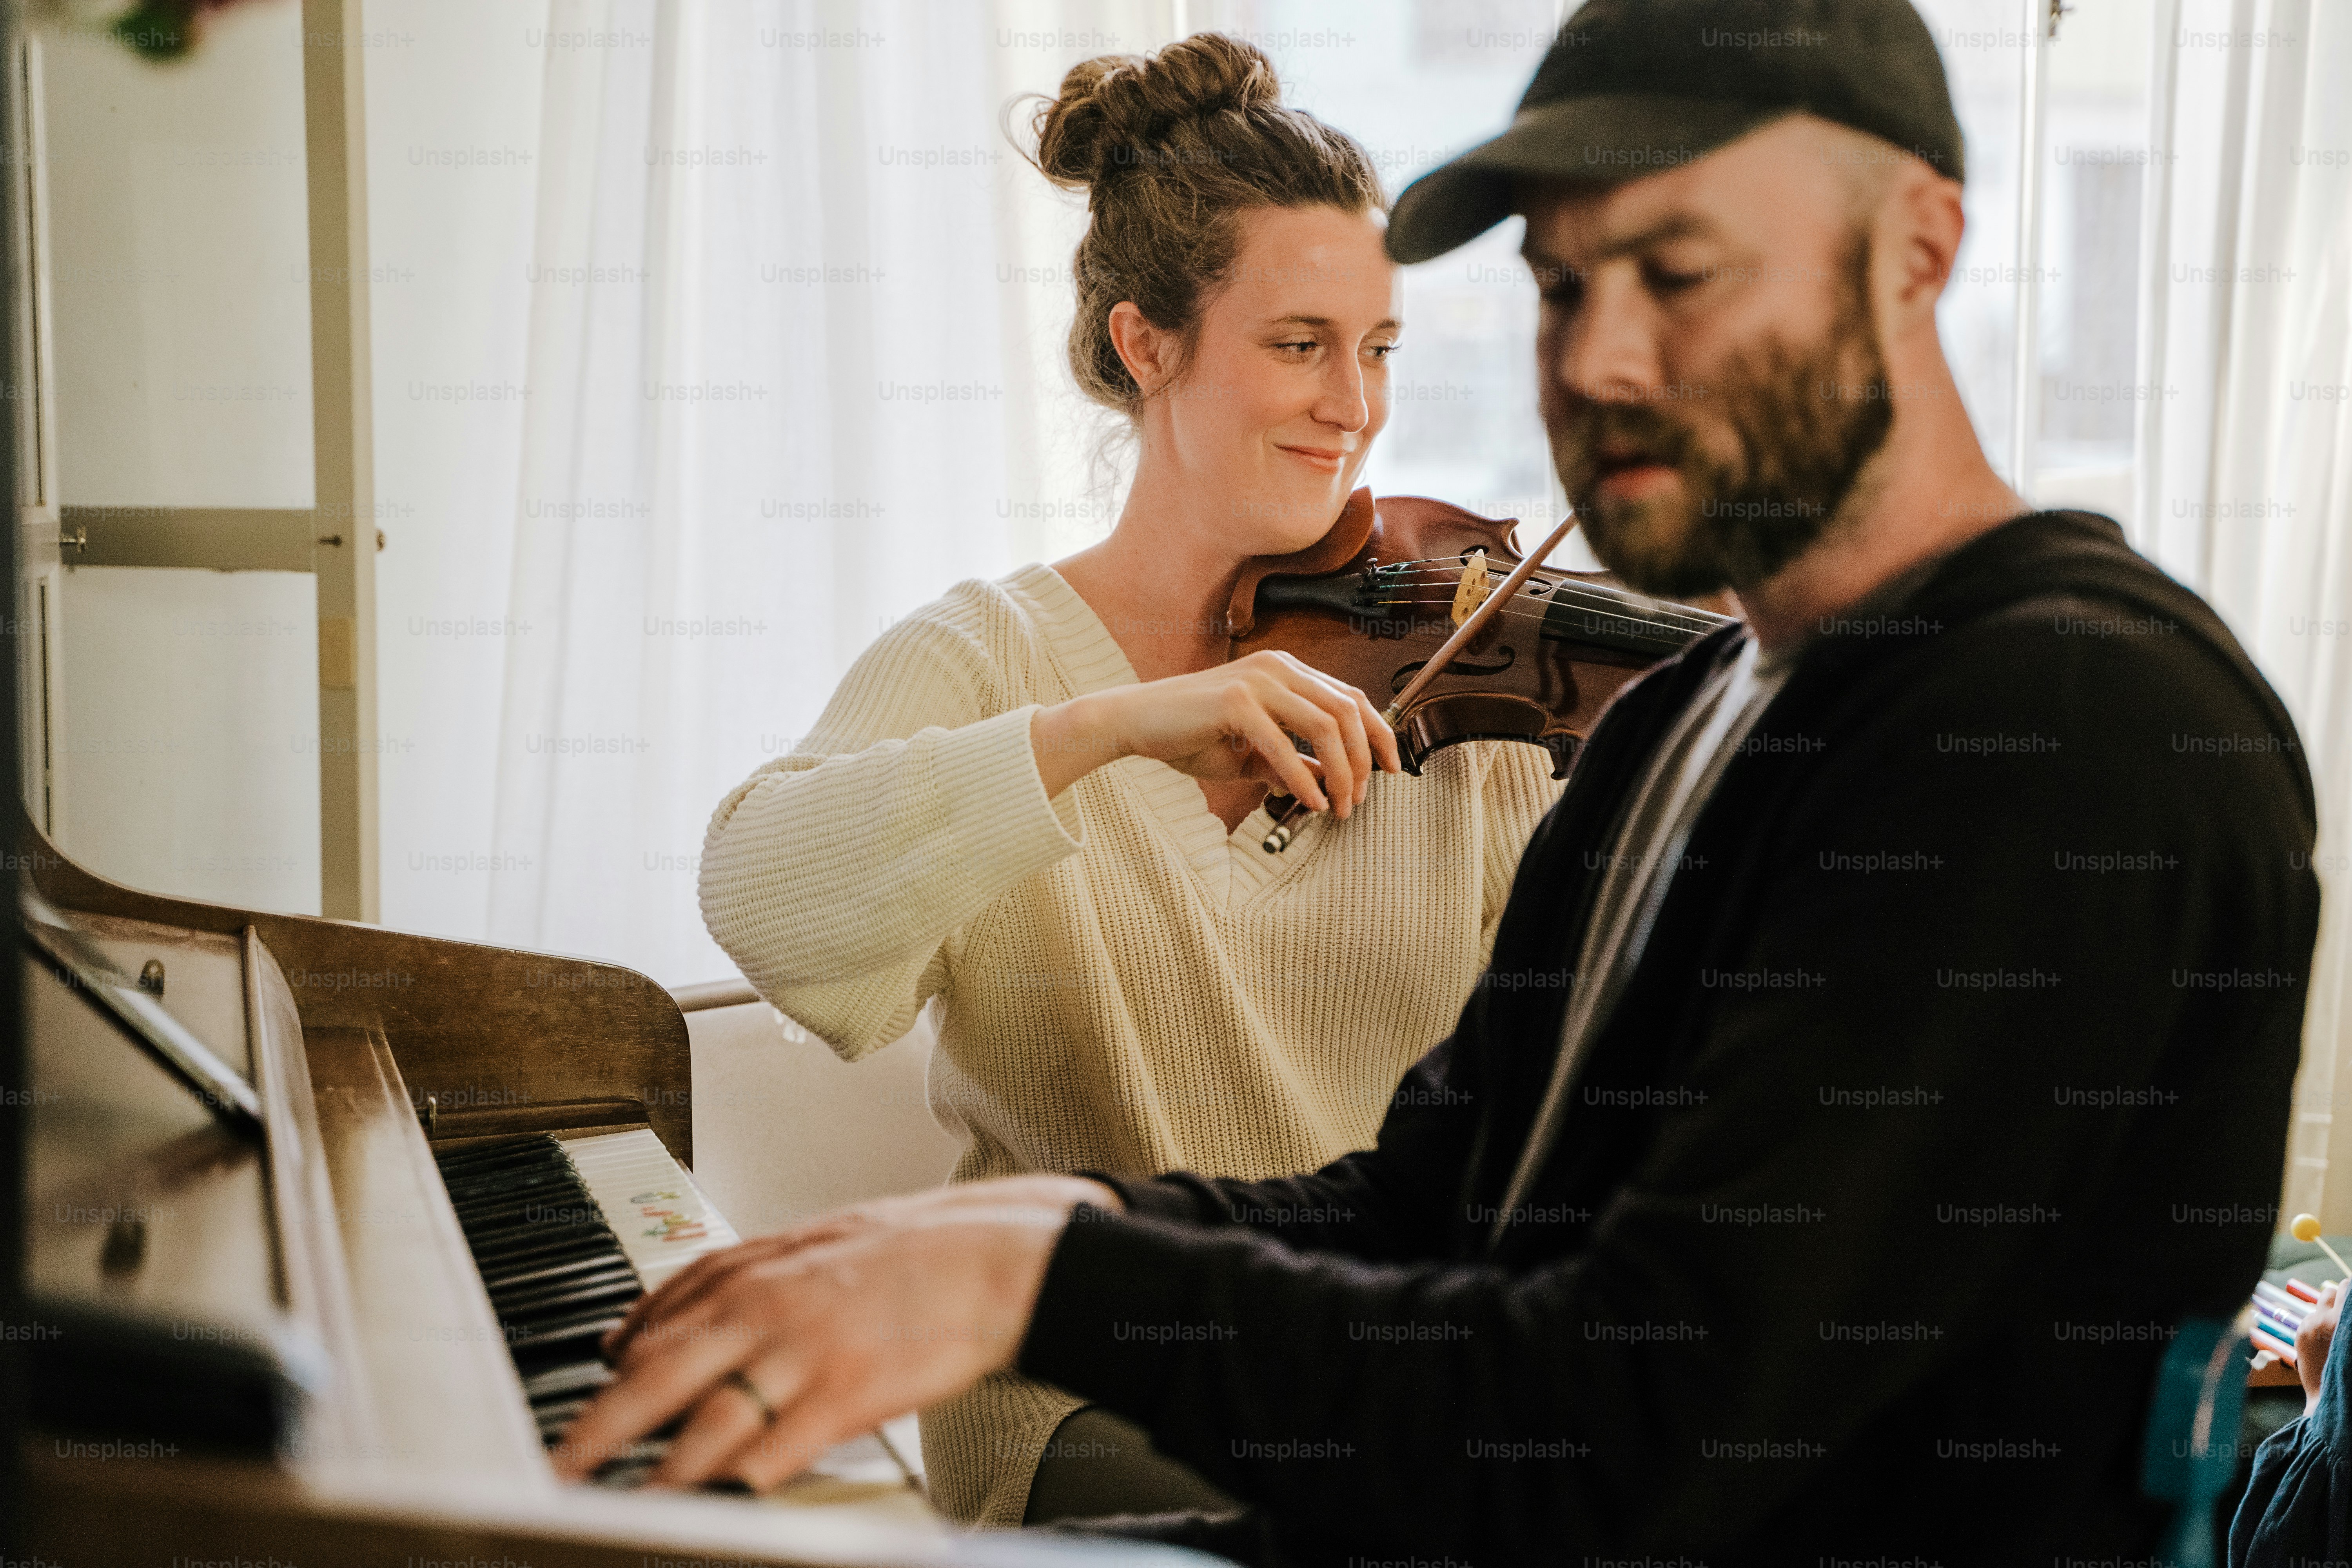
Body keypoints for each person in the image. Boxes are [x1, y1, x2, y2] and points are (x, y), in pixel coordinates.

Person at [565, 1, 2323, 1561]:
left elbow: (1630, 1432)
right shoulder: (1689, 716)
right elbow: (1429, 1198)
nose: (1599, 360)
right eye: (1563, 286)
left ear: (1918, 248)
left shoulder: (2066, 720)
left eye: (1683, 270)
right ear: (1135, 345)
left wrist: (1049, 1281)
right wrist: (1041, 1225)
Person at [691, 33, 1566, 1526]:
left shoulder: (1466, 667)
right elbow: (763, 894)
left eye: (1380, 349)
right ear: (1144, 343)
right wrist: (1114, 725)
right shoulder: (986, 652)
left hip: (1369, 1365)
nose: (1354, 406)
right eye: (1299, 344)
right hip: (1080, 1394)